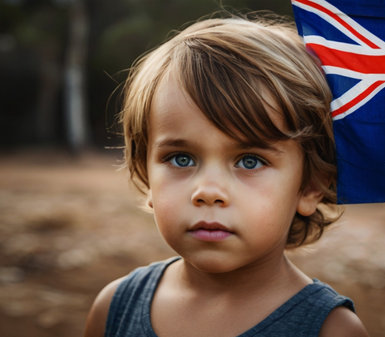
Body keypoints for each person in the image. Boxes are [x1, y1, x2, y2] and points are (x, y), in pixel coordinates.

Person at [83, 13, 369, 337]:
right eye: (181, 158)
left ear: (311, 185)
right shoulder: (114, 309)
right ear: (145, 172)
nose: (207, 191)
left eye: (249, 161)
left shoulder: (331, 331)